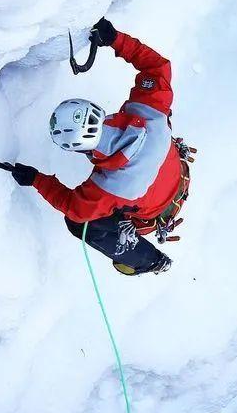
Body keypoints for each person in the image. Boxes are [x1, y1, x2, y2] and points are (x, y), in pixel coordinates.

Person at [10, 18, 191, 276]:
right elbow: (157, 67)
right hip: (178, 175)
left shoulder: (107, 189)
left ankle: (147, 260)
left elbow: (74, 209)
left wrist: (36, 180)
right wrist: (115, 39)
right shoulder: (148, 110)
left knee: (79, 225)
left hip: (154, 214)